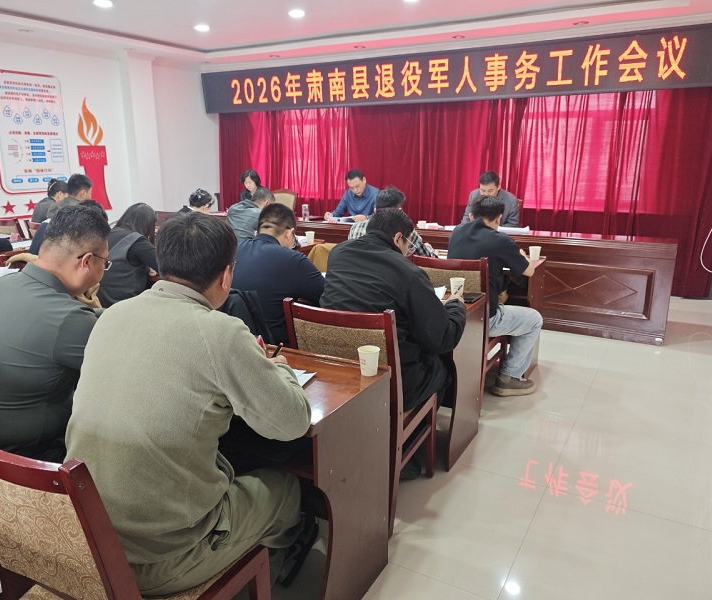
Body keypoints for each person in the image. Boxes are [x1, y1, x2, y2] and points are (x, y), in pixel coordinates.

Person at [65, 212, 315, 596]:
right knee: (286, 490)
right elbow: (292, 422)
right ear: (226, 275)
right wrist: (276, 366)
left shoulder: (111, 315)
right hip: (162, 557)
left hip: (90, 534)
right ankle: (262, 569)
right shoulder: (220, 332)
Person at [0, 204, 111, 462]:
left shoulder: (1, 283)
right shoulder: (69, 319)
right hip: (26, 458)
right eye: (105, 263)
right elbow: (120, 375)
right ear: (87, 261)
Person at [321, 209, 466, 470]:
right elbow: (441, 339)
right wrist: (456, 307)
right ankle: (407, 448)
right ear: (399, 238)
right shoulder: (408, 271)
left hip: (338, 371)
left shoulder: (338, 254)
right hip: (392, 382)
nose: (408, 249)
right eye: (408, 243)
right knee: (444, 368)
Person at [448, 195, 543, 396]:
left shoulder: (456, 232)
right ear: (499, 218)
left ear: (471, 216)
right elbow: (529, 271)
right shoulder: (501, 240)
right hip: (485, 318)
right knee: (534, 319)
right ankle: (509, 377)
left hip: (455, 312)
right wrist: (522, 254)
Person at [233, 204, 324, 345]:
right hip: (276, 348)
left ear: (258, 230)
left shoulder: (233, 249)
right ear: (289, 233)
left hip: (234, 340)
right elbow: (326, 296)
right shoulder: (294, 260)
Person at [348, 185, 438, 258]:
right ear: (399, 211)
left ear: (375, 210)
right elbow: (428, 258)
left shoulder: (355, 227)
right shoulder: (405, 231)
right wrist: (429, 249)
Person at [98, 202, 158, 308]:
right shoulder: (137, 241)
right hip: (124, 304)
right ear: (147, 224)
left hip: (100, 301)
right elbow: (164, 266)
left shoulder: (108, 234)